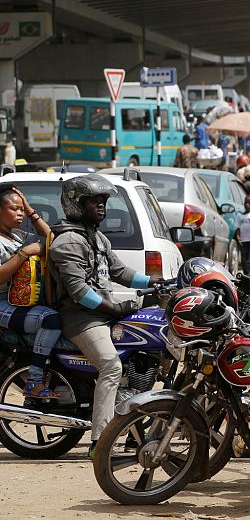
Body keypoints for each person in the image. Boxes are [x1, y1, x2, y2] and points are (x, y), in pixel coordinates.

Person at [48, 174, 160, 455]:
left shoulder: (96, 237)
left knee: (149, 352)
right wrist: (115, 308)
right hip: (82, 319)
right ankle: (101, 441)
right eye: (94, 202)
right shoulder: (69, 241)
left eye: (103, 201)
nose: (102, 207)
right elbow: (78, 291)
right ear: (76, 204)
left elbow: (120, 272)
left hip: (103, 315)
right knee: (111, 367)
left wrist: (154, 282)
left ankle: (137, 427)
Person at [0, 186, 61, 398]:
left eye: (21, 209)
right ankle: (34, 382)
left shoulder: (17, 236)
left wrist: (30, 210)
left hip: (21, 302)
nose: (20, 213)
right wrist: (24, 253)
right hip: (2, 305)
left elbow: (50, 237)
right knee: (51, 320)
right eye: (14, 208)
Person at [236, 195, 250, 276]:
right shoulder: (239, 215)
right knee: (245, 260)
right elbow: (238, 228)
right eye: (246, 203)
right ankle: (247, 275)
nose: (247, 205)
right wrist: (238, 237)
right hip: (243, 241)